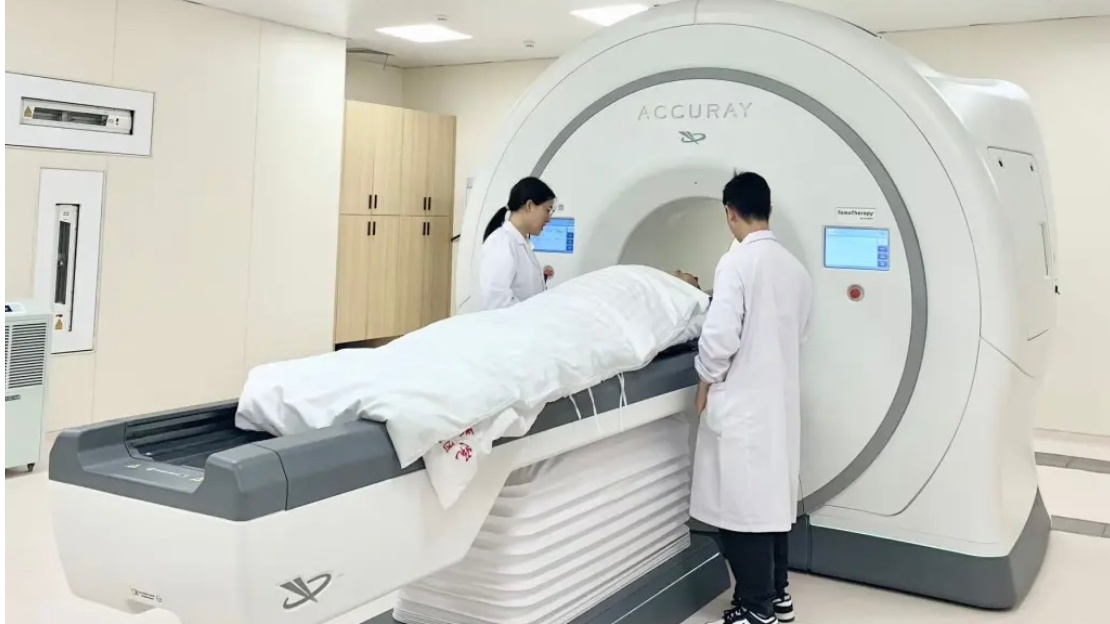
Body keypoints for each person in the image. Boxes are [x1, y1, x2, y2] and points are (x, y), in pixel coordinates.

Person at [691, 172, 813, 624]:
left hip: (743, 404)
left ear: (730, 212)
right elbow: (800, 333)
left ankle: (756, 608)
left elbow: (719, 338)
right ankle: (778, 597)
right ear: (768, 209)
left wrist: (705, 380)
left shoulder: (737, 263)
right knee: (772, 507)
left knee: (743, 512)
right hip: (777, 403)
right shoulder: (794, 268)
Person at [478, 177, 557, 311]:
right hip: (511, 323)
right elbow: (496, 302)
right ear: (529, 205)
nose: (549, 219)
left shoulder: (519, 242)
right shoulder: (501, 242)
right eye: (547, 210)